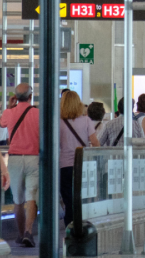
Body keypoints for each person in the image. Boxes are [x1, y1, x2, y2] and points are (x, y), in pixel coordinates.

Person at [0, 83, 39, 247]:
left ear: (16, 97)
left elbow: (1, 123)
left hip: (14, 159)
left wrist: (9, 106)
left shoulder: (9, 112)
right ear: (30, 97)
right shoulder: (38, 113)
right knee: (31, 198)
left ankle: (20, 234)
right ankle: (29, 232)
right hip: (34, 159)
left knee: (18, 201)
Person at [59, 90, 100, 227]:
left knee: (68, 198)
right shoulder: (86, 121)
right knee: (82, 197)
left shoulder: (58, 122)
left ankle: (69, 227)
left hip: (64, 165)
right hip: (82, 164)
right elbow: (94, 142)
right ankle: (81, 226)